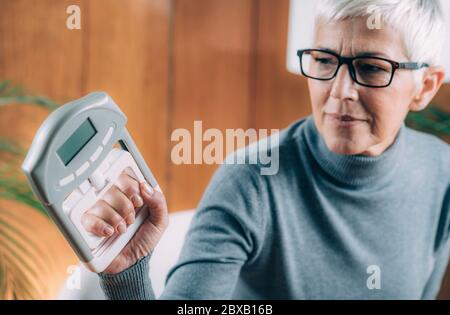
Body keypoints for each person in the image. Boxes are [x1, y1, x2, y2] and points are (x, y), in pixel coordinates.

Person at [82, 0, 450, 299]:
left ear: (425, 87)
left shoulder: (441, 171)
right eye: (324, 60)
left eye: (370, 68)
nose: (339, 92)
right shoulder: (251, 181)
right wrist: (128, 276)